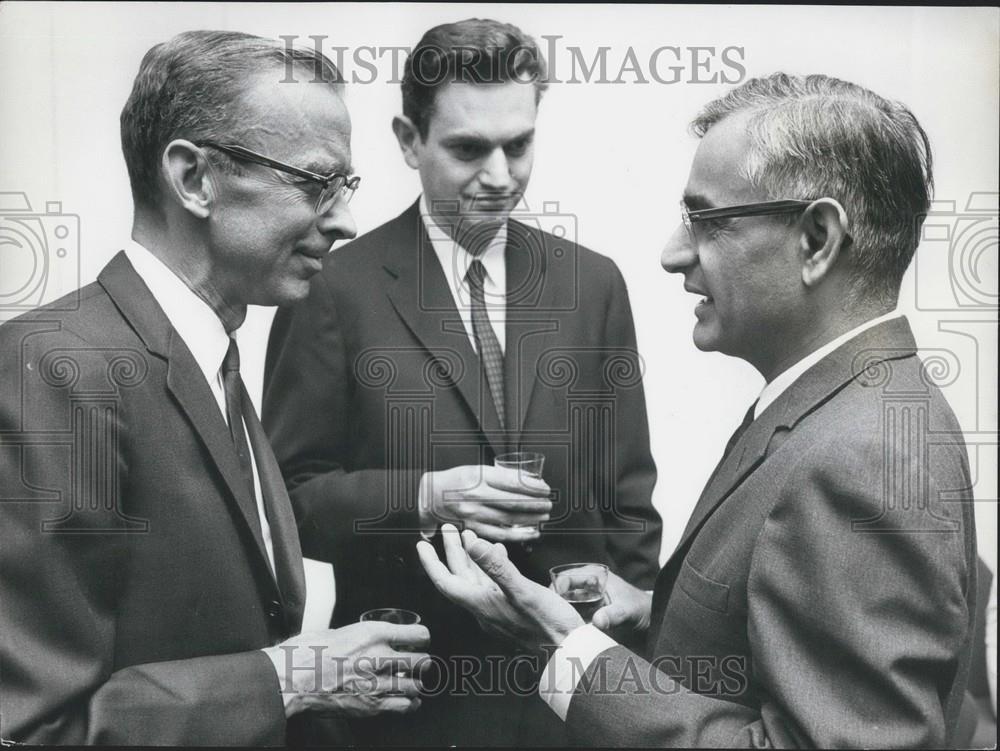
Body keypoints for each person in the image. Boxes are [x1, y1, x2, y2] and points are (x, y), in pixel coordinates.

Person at [418, 73, 979, 748]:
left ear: (817, 239)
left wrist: (563, 647)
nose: (672, 254)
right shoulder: (853, 409)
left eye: (706, 220)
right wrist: (663, 610)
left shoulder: (858, 455)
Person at [0, 30, 429, 746]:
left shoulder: (211, 361)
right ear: (194, 178)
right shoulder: (58, 369)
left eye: (344, 187)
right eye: (318, 182)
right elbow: (35, 729)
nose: (347, 220)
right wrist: (291, 677)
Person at [263, 17, 661, 746]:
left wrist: (617, 650)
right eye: (469, 149)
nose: (500, 175)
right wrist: (421, 496)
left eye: (519, 144)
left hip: (566, 708)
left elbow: (629, 499)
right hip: (405, 705)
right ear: (409, 140)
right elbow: (288, 501)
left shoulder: (593, 283)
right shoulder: (334, 286)